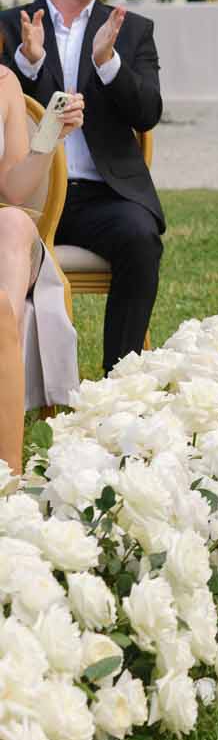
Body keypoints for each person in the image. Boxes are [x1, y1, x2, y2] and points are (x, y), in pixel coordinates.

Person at [0, 0, 165, 374]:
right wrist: (27, 67)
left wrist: (109, 64)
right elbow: (3, 114)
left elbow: (147, 113)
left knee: (140, 238)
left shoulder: (131, 30)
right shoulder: (8, 26)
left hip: (101, 197)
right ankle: (21, 381)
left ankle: (119, 384)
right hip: (24, 196)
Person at [0, 60, 83, 470]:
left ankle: (6, 469)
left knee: (14, 222)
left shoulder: (4, 82)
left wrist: (50, 136)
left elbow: (15, 190)